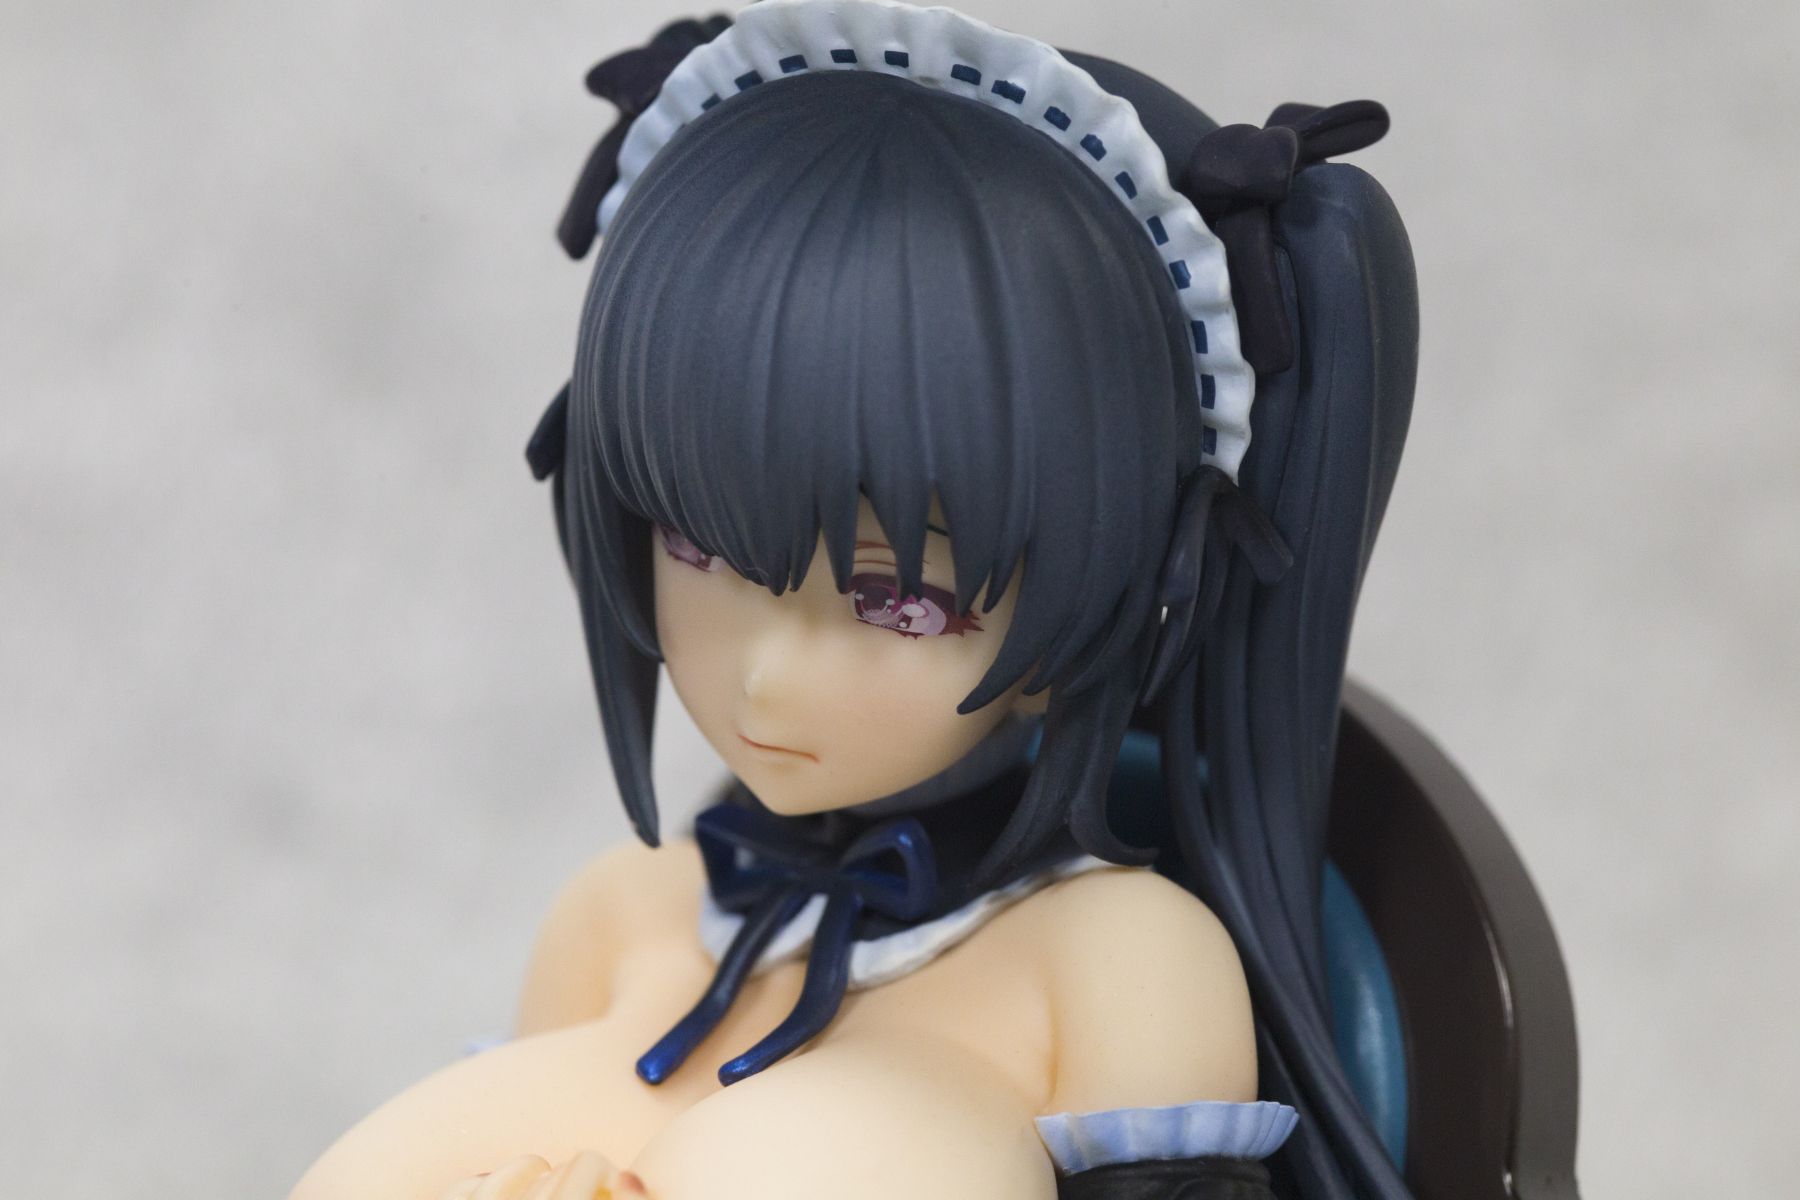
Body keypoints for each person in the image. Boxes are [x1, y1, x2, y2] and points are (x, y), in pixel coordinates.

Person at [290, 2, 1418, 1197]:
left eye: (899, 603)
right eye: (697, 544)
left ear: (1107, 595)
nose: (764, 676)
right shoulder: (625, 913)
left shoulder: (1115, 961)